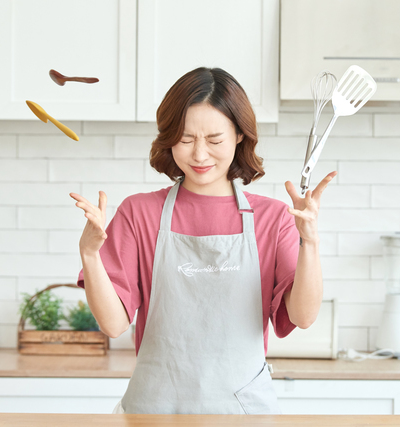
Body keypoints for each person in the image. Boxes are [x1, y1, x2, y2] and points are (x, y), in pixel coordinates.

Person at [70, 67, 336, 414]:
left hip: (243, 416)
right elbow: (114, 324)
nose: (199, 155)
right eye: (185, 139)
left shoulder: (273, 219)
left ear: (240, 135)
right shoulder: (140, 213)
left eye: (214, 140)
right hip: (153, 414)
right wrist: (90, 255)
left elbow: (302, 316)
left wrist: (310, 243)